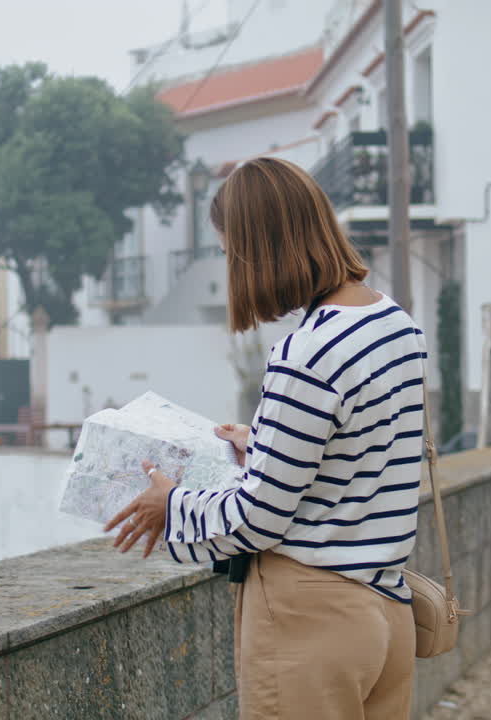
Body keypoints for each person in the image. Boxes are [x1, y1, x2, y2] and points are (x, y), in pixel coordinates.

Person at [105, 156, 423, 719]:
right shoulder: (395, 324)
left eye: (231, 253)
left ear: (261, 249)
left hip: (311, 623)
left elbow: (258, 519)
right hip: (386, 609)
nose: (231, 268)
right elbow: (367, 452)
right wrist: (269, 445)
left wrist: (170, 505)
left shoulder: (308, 353)